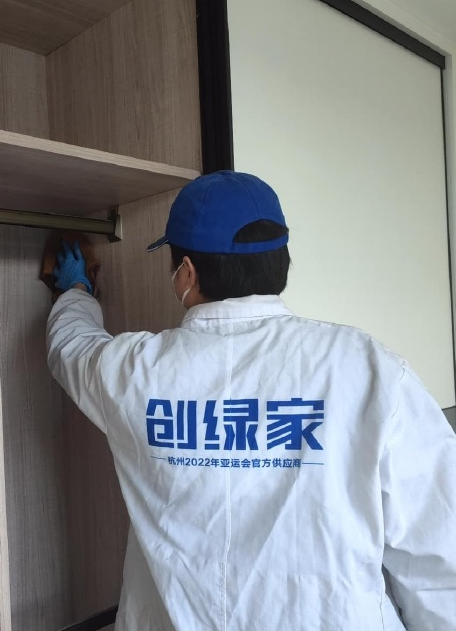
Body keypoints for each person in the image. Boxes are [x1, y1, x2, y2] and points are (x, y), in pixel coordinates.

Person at [47, 170, 456, 630]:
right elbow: (439, 551)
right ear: (281, 261)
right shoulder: (366, 368)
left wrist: (76, 290)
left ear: (187, 272)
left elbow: (71, 347)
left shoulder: (135, 371)